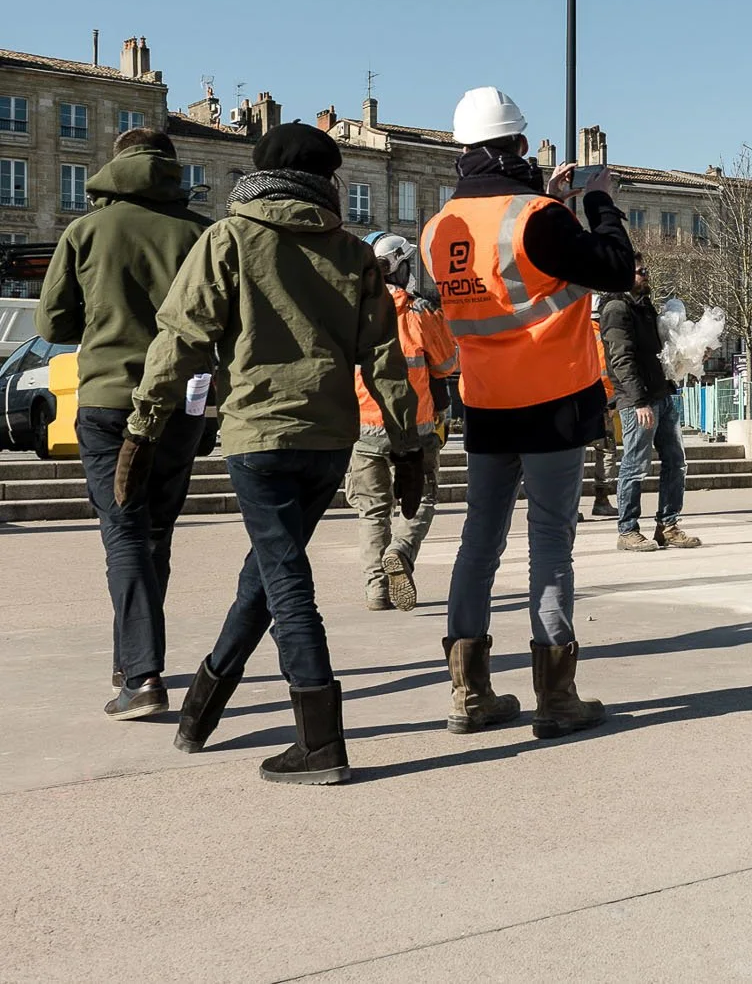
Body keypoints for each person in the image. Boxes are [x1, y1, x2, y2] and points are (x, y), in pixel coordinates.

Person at [132, 123, 420, 784]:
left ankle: (319, 742)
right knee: (263, 575)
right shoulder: (352, 252)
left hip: (258, 436)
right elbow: (384, 355)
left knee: (285, 580)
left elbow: (179, 339)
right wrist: (405, 444)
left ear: (257, 173)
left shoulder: (227, 240)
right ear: (327, 180)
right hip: (328, 440)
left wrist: (143, 429)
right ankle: (202, 707)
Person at [422, 87, 635, 739]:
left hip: (486, 404)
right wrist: (596, 198)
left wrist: (554, 192)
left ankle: (468, 692)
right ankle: (556, 696)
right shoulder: (539, 216)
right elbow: (615, 267)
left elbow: (509, 258)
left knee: (478, 542)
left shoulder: (439, 228)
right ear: (519, 143)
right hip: (553, 404)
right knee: (550, 540)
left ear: (463, 149)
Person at [37, 127, 212, 720]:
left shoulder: (85, 231)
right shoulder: (201, 232)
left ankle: (141, 674)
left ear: (114, 166)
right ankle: (131, 654)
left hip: (110, 398)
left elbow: (53, 323)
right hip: (182, 400)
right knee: (156, 529)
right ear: (171, 168)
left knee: (122, 530)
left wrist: (105, 317)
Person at [348, 232, 458, 612]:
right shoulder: (419, 311)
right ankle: (402, 550)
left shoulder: (350, 311)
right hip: (417, 426)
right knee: (423, 497)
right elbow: (446, 364)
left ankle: (377, 589)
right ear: (398, 267)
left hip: (363, 425)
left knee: (372, 510)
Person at [602, 261, 699, 551]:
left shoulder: (644, 306)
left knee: (676, 461)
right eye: (640, 271)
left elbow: (660, 351)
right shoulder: (617, 309)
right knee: (635, 465)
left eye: (645, 271)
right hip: (639, 401)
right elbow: (621, 359)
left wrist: (690, 352)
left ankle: (668, 525)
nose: (646, 276)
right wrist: (639, 400)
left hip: (663, 394)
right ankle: (627, 530)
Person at [585, 307, 620, 521]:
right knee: (606, 451)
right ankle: (602, 500)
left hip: (576, 402)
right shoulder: (607, 335)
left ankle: (570, 505)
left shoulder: (574, 331)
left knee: (574, 454)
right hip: (603, 402)